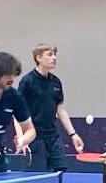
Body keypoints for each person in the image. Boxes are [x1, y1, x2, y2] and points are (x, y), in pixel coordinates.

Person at [17, 44, 84, 172]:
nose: (54, 58)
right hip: (34, 137)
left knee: (61, 172)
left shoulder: (56, 82)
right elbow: (18, 112)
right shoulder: (27, 81)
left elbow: (61, 109)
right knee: (38, 177)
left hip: (53, 136)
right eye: (50, 54)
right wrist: (22, 138)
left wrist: (73, 134)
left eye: (55, 55)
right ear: (39, 58)